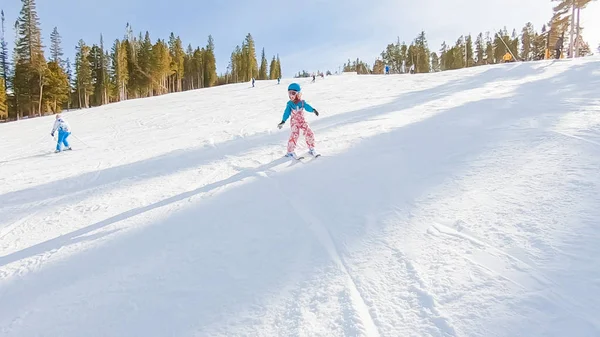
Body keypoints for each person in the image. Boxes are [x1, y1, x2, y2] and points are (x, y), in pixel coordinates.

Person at [277, 83, 320, 158]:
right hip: (294, 123)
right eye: (289, 93)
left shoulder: (302, 103)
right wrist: (283, 121)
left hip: (302, 121)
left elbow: (307, 107)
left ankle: (311, 148)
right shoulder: (290, 104)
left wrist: (313, 110)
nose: (291, 95)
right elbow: (286, 113)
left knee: (309, 132)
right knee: (295, 135)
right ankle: (290, 151)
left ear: (298, 93)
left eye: (293, 93)